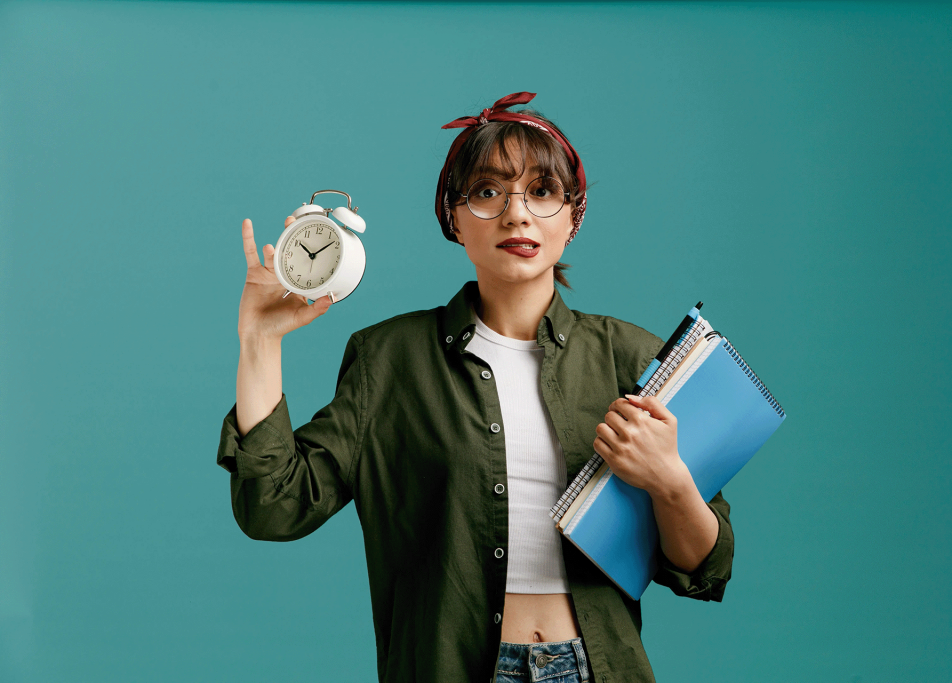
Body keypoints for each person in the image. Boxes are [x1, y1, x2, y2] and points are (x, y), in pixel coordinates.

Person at [217, 92, 734, 683]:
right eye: (488, 192)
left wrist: (670, 481)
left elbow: (704, 567)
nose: (517, 214)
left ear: (573, 215)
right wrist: (259, 339)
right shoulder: (390, 359)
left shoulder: (632, 358)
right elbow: (275, 507)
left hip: (596, 668)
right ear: (453, 217)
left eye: (542, 192)